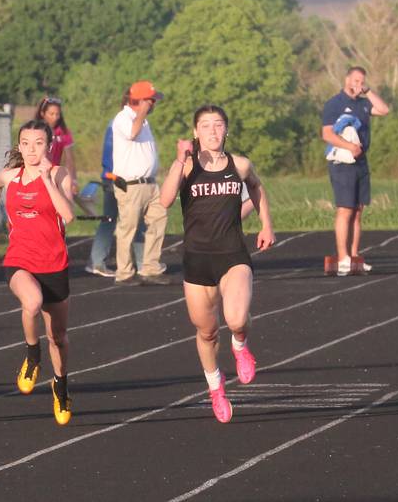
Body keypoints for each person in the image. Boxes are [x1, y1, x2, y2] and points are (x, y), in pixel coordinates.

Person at [159, 105, 275, 423]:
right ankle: (215, 388)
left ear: (226, 130)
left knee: (236, 319)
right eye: (206, 126)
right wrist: (179, 160)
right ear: (196, 132)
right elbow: (166, 200)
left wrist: (266, 224)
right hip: (197, 260)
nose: (212, 130)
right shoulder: (186, 167)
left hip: (232, 254)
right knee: (207, 332)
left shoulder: (239, 164)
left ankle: (240, 344)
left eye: (218, 125)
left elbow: (256, 187)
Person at [0, 120, 75, 425]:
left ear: (49, 146)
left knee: (57, 337)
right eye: (26, 143)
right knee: (30, 303)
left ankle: (61, 385)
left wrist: (46, 179)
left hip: (54, 264)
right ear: (19, 146)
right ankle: (32, 356)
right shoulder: (10, 176)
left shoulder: (59, 174)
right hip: (20, 259)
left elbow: (68, 216)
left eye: (39, 143)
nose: (32, 150)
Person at [322, 66, 389, 275]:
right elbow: (327, 134)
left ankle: (353, 255)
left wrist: (367, 91)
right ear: (347, 79)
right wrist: (349, 146)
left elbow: (384, 110)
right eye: (355, 80)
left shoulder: (363, 103)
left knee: (358, 210)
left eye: (362, 80)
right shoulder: (335, 103)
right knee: (345, 209)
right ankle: (342, 257)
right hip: (342, 162)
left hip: (361, 161)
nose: (358, 84)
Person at [111, 80, 171, 286]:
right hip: (131, 184)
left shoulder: (143, 120)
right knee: (128, 228)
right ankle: (124, 272)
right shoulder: (123, 118)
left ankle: (150, 267)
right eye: (151, 100)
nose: (154, 104)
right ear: (141, 100)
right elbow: (131, 133)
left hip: (149, 183)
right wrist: (142, 112)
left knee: (158, 220)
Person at [85, 89, 146, 277]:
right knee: (121, 219)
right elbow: (113, 155)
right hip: (117, 179)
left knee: (120, 219)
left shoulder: (133, 124)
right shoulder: (120, 123)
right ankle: (140, 263)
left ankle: (139, 262)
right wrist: (115, 178)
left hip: (122, 178)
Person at [35, 96, 78, 194]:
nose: (55, 117)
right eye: (51, 114)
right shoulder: (35, 131)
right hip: (36, 176)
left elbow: (69, 160)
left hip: (54, 177)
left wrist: (73, 181)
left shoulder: (63, 132)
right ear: (42, 114)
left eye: (57, 114)